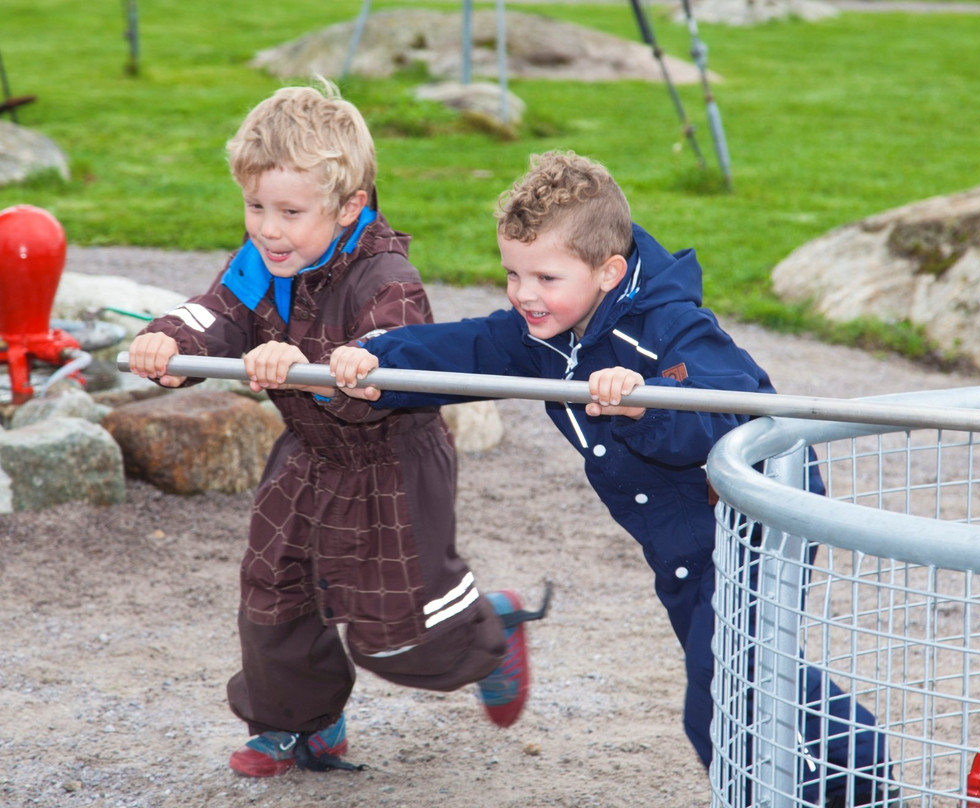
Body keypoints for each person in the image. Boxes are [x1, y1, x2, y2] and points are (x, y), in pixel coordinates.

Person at [327, 150, 893, 805]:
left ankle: (818, 784)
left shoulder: (668, 328)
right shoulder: (544, 333)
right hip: (683, 541)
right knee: (757, 676)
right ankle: (858, 768)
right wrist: (372, 359)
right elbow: (466, 348)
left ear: (608, 271)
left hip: (756, 520)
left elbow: (737, 409)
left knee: (724, 696)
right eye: (512, 274)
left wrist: (650, 399)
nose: (524, 295)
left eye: (545, 276)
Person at [125, 80, 546, 778]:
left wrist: (305, 364)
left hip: (390, 463)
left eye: (290, 211)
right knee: (273, 589)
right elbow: (216, 312)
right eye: (255, 205)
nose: (267, 227)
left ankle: (489, 628)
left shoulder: (387, 278)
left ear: (349, 206)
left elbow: (386, 373)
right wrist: (168, 343)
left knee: (398, 636)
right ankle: (298, 725)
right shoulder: (262, 261)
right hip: (309, 454)